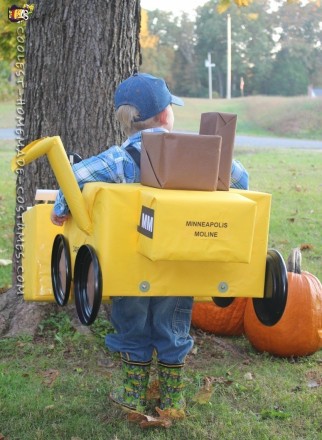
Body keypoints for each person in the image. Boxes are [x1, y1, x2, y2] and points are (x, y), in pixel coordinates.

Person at [51, 73, 249, 414]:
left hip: (132, 268)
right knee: (174, 325)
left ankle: (131, 393)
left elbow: (75, 177)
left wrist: (60, 207)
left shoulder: (117, 160)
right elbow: (241, 179)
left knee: (132, 323)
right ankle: (173, 398)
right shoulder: (195, 154)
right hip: (178, 262)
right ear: (164, 116)